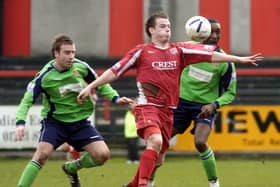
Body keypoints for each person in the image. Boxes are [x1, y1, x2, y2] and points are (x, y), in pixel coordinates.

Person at [77, 12, 262, 187]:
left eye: (169, 26)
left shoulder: (180, 51)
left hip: (170, 110)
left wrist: (238, 59)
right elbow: (114, 71)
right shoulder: (142, 51)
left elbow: (211, 55)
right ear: (151, 30)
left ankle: (134, 184)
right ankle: (144, 184)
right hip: (149, 107)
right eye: (163, 26)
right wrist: (90, 86)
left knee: (160, 158)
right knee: (155, 142)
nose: (168, 29)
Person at [15, 34, 132, 187]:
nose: (71, 56)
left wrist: (115, 98)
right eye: (67, 53)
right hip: (55, 123)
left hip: (80, 123)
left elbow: (101, 83)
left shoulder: (81, 67)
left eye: (73, 52)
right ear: (56, 53)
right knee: (41, 155)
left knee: (102, 155)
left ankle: (71, 168)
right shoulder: (44, 76)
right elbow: (27, 100)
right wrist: (20, 122)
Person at [149, 18, 234, 187]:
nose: (215, 35)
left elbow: (230, 93)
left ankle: (214, 183)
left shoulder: (225, 61)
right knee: (160, 142)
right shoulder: (184, 49)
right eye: (212, 31)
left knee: (200, 142)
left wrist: (213, 105)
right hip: (179, 104)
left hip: (204, 108)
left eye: (219, 32)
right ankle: (147, 182)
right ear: (201, 32)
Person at [124, 100, 139, 164]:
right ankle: (130, 159)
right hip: (128, 134)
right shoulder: (128, 113)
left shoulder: (137, 113)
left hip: (134, 134)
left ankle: (136, 159)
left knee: (134, 147)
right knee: (129, 147)